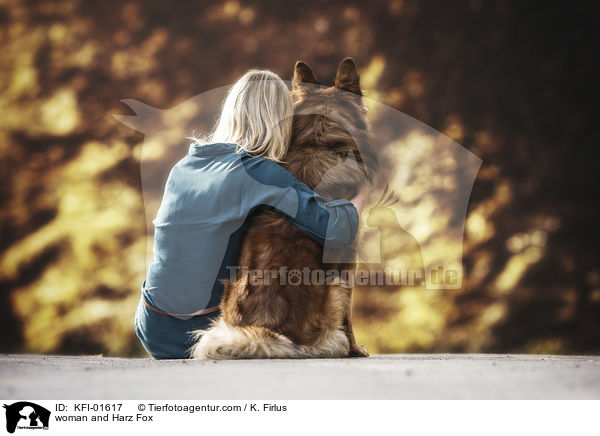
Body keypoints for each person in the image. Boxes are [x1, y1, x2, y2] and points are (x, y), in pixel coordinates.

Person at [134, 70, 364, 359]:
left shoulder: (184, 166)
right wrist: (360, 197)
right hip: (200, 335)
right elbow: (337, 229)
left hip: (151, 326)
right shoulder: (261, 173)